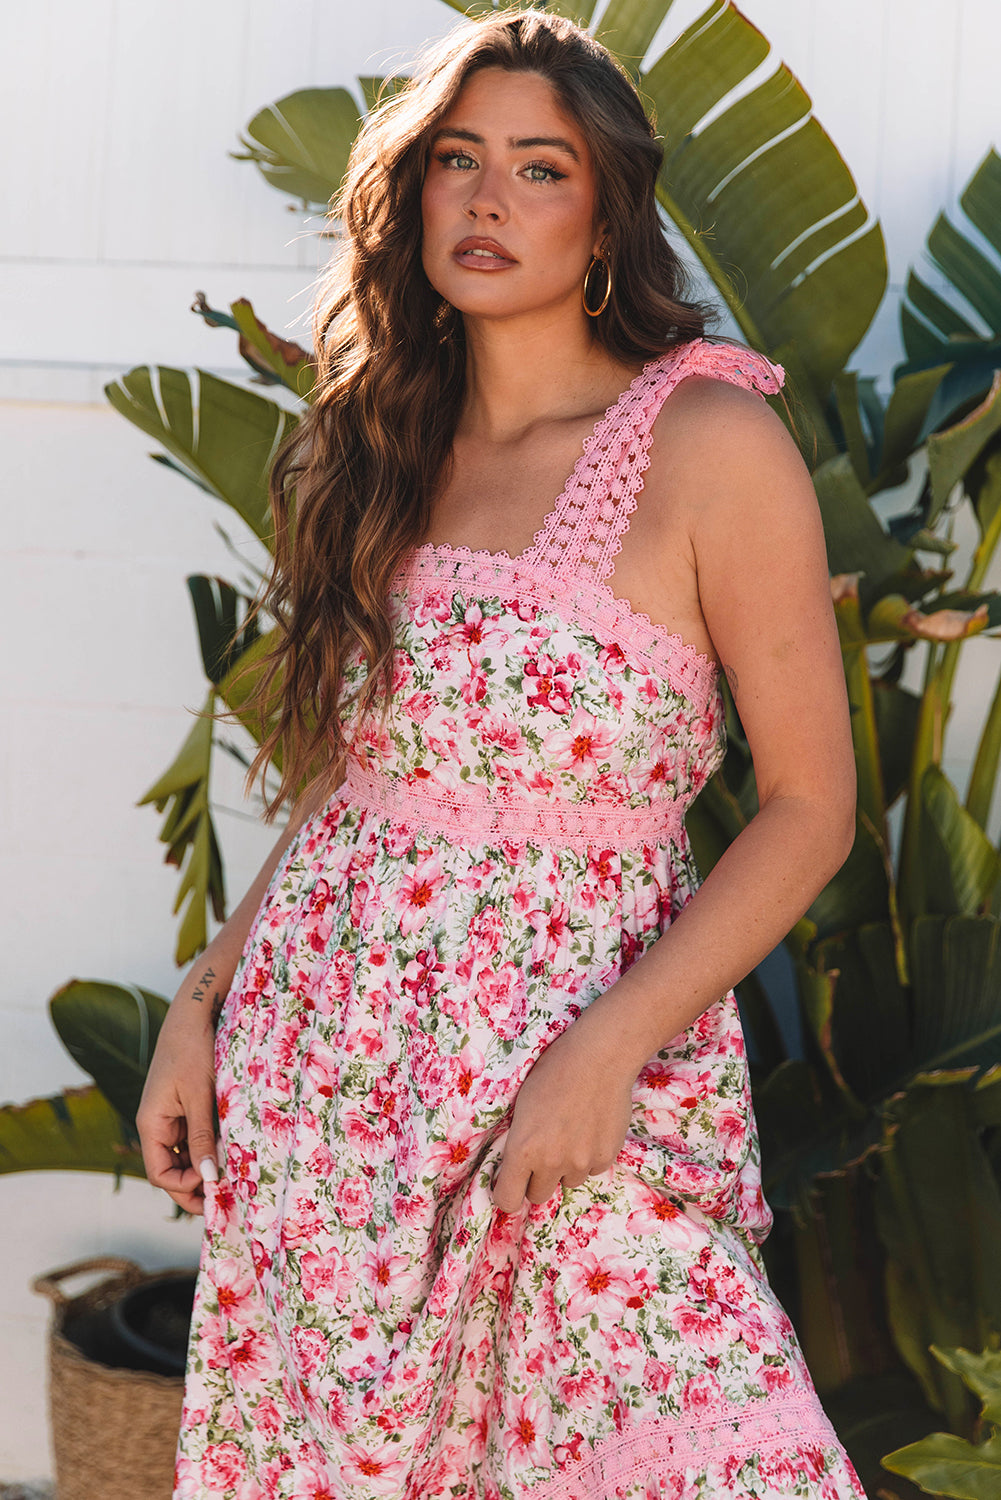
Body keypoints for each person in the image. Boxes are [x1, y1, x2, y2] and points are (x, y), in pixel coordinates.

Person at [138, 9, 866, 1499]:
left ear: (605, 213)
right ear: (408, 196)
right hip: (334, 1078)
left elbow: (809, 808)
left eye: (540, 168)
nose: (486, 199)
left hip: (586, 1069)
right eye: (455, 160)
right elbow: (356, 785)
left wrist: (607, 1050)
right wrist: (202, 1001)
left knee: (723, 1456)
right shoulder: (366, 448)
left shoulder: (707, 440)